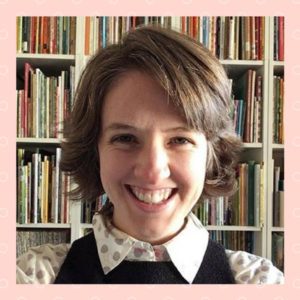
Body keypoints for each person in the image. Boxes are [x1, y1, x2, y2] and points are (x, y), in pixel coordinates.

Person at [16, 24, 284, 284]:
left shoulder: (258, 282)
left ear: (211, 153)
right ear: (94, 150)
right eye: (125, 138)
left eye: (180, 139)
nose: (153, 171)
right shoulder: (33, 277)